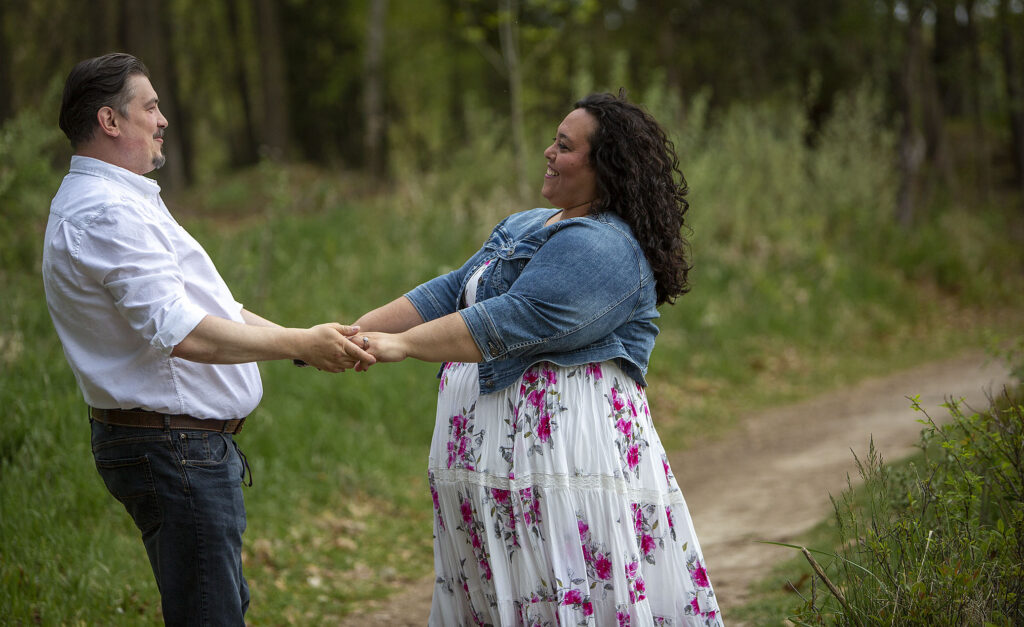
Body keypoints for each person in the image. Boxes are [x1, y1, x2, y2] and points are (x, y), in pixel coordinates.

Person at [354, 92, 722, 625]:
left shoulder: (608, 248)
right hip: (488, 471)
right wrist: (352, 333)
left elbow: (514, 319)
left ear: (606, 166)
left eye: (565, 146)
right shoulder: (529, 224)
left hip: (558, 472)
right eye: (554, 139)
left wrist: (403, 346)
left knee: (559, 597)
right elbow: (451, 291)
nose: (549, 152)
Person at [41, 53, 374, 625]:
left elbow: (218, 311)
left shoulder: (126, 202)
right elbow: (185, 334)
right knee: (210, 615)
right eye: (150, 106)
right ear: (109, 121)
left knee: (218, 607)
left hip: (183, 448)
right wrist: (301, 340)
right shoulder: (104, 214)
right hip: (175, 450)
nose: (163, 119)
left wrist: (306, 345)